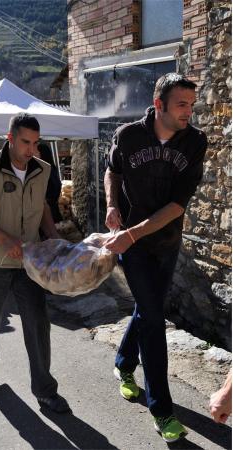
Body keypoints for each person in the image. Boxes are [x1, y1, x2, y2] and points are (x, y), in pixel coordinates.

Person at [103, 73, 207, 443]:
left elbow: (177, 205)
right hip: (132, 246)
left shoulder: (195, 142)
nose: (188, 113)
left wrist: (130, 233)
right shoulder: (129, 136)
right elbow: (112, 171)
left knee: (149, 309)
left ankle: (122, 364)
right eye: (182, 105)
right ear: (159, 103)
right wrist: (113, 205)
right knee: (153, 318)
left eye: (191, 106)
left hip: (165, 242)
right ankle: (162, 409)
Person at [0, 113, 70, 413]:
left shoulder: (42, 168)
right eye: (25, 142)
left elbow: (43, 206)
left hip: (28, 261)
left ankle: (45, 390)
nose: (31, 149)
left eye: (36, 143)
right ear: (10, 138)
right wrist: (5, 240)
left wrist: (54, 237)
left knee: (38, 323)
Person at [35, 142, 63, 224]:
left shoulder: (45, 171)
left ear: (41, 154)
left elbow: (50, 193)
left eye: (36, 152)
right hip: (53, 212)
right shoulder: (51, 168)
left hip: (48, 214)